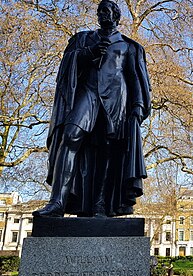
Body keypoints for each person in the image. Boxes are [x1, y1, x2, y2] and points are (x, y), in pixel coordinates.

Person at [33, 0, 151, 218]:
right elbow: (67, 63)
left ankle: (99, 205)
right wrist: (88, 53)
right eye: (99, 11)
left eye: (106, 11)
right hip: (87, 94)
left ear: (116, 15)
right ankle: (57, 202)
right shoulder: (83, 39)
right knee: (70, 137)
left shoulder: (129, 46)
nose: (102, 14)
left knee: (107, 151)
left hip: (116, 101)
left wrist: (137, 106)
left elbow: (136, 78)